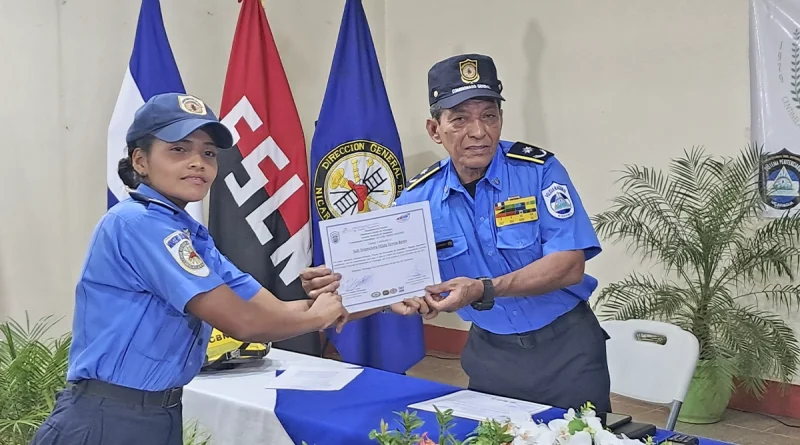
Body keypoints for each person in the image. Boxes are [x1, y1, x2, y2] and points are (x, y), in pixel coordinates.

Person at [29, 92, 415, 445]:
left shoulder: (188, 232)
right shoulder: (137, 224)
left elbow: (274, 311)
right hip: (108, 419)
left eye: (209, 153)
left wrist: (385, 295)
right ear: (141, 160)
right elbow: (244, 323)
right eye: (179, 149)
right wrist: (319, 318)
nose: (198, 162)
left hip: (156, 413)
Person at [300, 54, 612, 413]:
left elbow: (569, 265)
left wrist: (484, 289)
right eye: (460, 119)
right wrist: (338, 291)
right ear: (435, 130)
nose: (478, 132)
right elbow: (388, 282)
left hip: (568, 351)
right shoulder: (417, 201)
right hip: (492, 357)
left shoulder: (539, 171)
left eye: (489, 116)